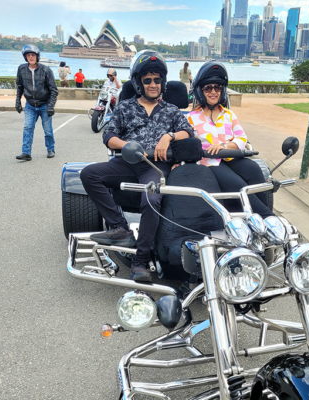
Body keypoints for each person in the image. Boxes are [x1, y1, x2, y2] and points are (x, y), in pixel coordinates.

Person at [80, 50, 193, 282]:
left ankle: (140, 261)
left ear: (163, 82)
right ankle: (119, 227)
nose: (153, 84)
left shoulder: (171, 110)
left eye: (157, 80)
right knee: (89, 174)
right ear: (139, 82)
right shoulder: (125, 107)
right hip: (127, 161)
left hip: (154, 165)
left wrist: (169, 136)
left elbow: (189, 134)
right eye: (148, 80)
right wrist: (127, 145)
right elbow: (108, 135)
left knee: (151, 199)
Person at [187, 61, 274, 219]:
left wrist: (224, 146)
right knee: (237, 184)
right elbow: (187, 144)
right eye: (208, 88)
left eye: (217, 87)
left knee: (254, 169)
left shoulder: (228, 114)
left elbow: (242, 138)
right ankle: (270, 219)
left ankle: (263, 220)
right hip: (210, 161)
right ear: (200, 90)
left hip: (230, 156)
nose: (213, 91)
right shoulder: (192, 118)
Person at [15, 44, 58, 161]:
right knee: (28, 128)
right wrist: (17, 101)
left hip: (44, 104)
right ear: (25, 57)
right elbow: (19, 86)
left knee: (48, 129)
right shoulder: (22, 69)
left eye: (33, 55)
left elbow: (54, 90)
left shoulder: (46, 70)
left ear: (37, 56)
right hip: (30, 105)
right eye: (28, 55)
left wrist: (51, 106)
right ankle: (26, 152)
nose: (30, 57)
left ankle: (50, 149)